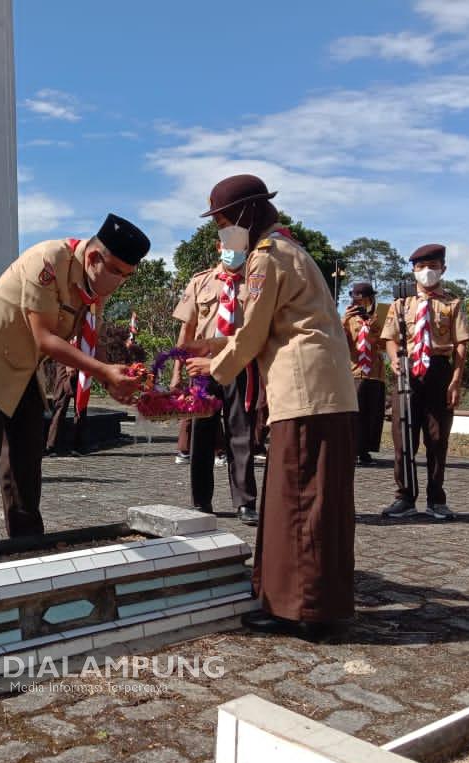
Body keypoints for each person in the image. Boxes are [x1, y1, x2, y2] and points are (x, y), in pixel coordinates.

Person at [185, 174, 357, 640]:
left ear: (243, 215)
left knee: (301, 498)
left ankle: (305, 609)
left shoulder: (266, 258)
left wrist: (213, 368)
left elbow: (252, 331)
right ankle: (306, 600)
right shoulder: (292, 251)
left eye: (222, 221)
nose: (221, 232)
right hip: (324, 390)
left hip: (304, 392)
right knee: (310, 498)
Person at [0, 214, 148, 545]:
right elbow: (44, 338)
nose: (120, 282)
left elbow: (87, 338)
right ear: (95, 257)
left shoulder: (94, 282)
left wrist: (113, 377)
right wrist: (103, 371)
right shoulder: (49, 259)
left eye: (127, 276)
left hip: (23, 366)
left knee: (26, 453)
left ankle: (27, 540)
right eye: (118, 272)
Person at [171, 242, 260, 523]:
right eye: (227, 244)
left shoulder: (255, 283)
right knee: (201, 434)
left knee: (241, 432)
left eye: (239, 245)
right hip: (202, 369)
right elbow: (187, 329)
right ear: (218, 246)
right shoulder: (201, 281)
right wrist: (176, 371)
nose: (233, 250)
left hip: (240, 366)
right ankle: (201, 501)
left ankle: (245, 502)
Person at [380, 244, 469, 520]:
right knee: (403, 436)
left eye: (432, 267)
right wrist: (394, 359)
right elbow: (390, 337)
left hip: (438, 370)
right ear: (413, 270)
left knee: (437, 436)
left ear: (443, 268)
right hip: (407, 371)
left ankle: (436, 498)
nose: (426, 272)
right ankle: (404, 497)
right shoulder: (401, 303)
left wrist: (455, 380)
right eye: (420, 267)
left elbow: (461, 343)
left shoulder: (452, 302)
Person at [342, 282, 387, 465]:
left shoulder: (380, 318)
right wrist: (344, 321)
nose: (360, 304)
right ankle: (351, 449)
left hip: (375, 372)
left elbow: (387, 344)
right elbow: (339, 343)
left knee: (373, 413)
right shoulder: (348, 319)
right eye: (356, 300)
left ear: (371, 299)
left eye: (364, 301)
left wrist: (373, 335)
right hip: (355, 371)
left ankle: (366, 450)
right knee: (354, 414)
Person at [45, 359, 85, 455]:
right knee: (60, 403)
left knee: (81, 404)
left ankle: (78, 445)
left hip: (84, 358)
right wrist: (69, 362)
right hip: (65, 358)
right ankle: (52, 445)